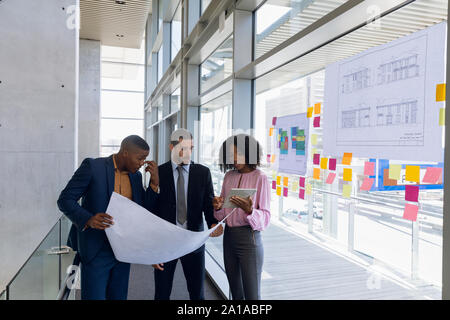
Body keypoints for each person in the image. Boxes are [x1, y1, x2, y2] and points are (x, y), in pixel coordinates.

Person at [57, 135, 159, 300]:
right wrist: (88, 219)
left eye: (145, 159)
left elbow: (142, 211)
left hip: (123, 250)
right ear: (125, 152)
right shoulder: (93, 167)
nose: (142, 163)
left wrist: (154, 184)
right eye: (140, 158)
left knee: (118, 296)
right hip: (97, 249)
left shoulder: (136, 176)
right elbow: (65, 200)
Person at [145, 128, 223, 300]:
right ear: (171, 147)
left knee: (197, 293)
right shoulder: (160, 172)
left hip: (193, 241)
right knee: (162, 292)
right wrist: (152, 248)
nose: (187, 153)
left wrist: (212, 222)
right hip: (166, 241)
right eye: (182, 148)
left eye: (191, 148)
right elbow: (150, 209)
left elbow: (208, 204)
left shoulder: (203, 173)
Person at [212, 134, 271, 300]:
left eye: (238, 154)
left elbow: (265, 218)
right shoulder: (229, 176)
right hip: (229, 238)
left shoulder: (260, 177)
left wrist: (250, 211)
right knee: (236, 292)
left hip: (249, 239)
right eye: (230, 155)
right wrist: (217, 207)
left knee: (252, 295)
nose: (234, 159)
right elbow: (223, 214)